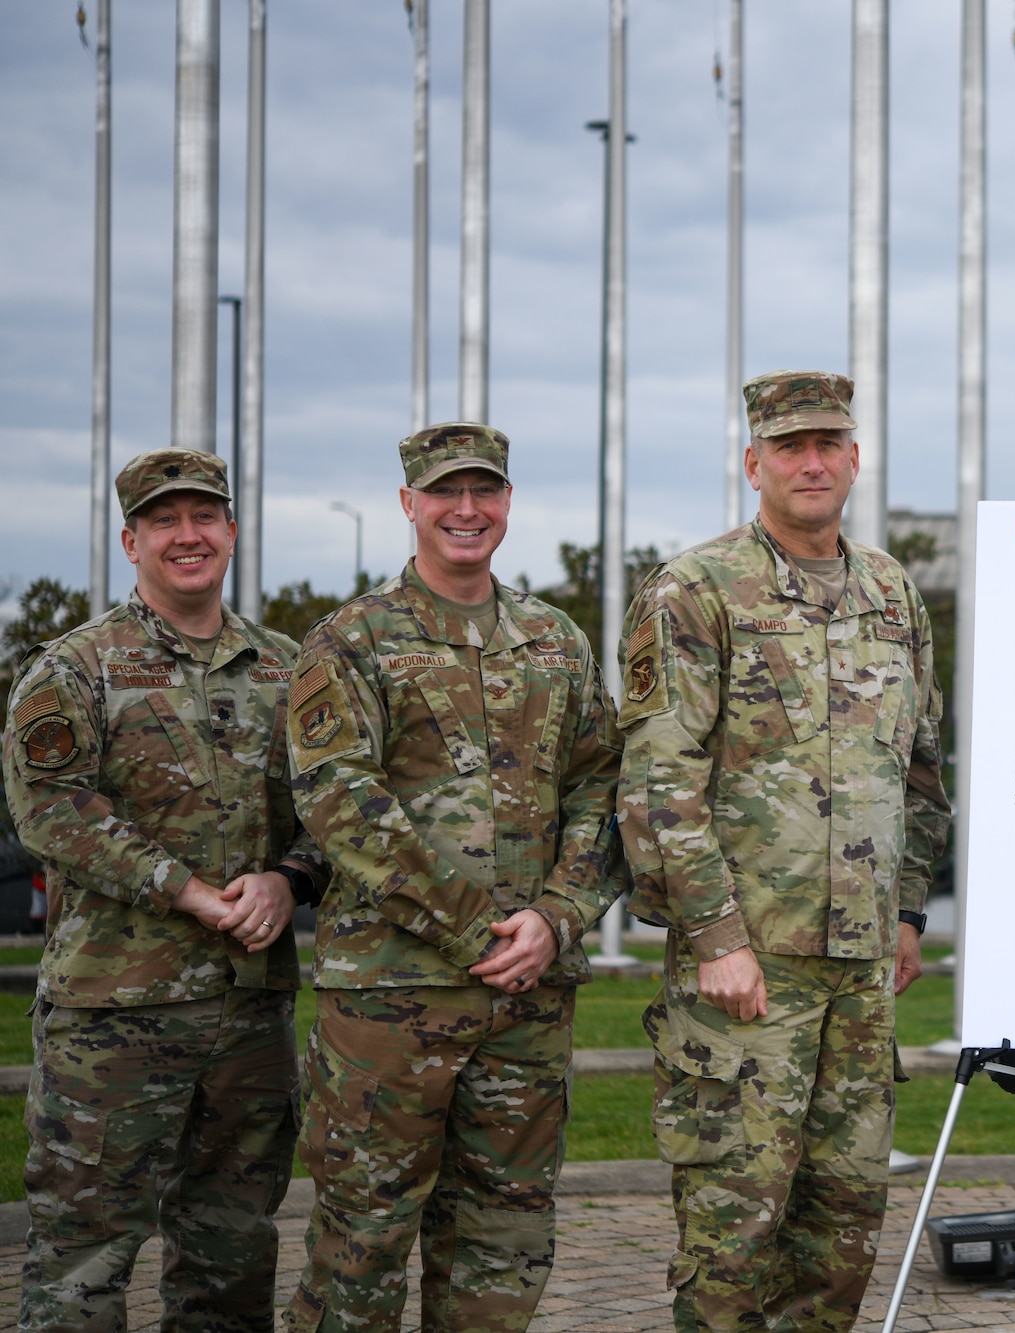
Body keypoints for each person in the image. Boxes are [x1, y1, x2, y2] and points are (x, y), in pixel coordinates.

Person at [616, 370, 950, 1332]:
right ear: (752, 461)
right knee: (733, 1234)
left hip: (860, 974)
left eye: (828, 444)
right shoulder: (695, 590)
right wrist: (714, 934)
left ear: (855, 458)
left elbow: (920, 773)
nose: (812, 463)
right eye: (790, 447)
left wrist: (909, 913)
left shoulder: (892, 591)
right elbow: (657, 778)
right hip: (748, 971)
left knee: (842, 1229)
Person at [282, 423, 625, 1333]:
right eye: (444, 493)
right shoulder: (350, 642)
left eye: (485, 491)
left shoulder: (555, 641)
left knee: (504, 1243)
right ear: (409, 504)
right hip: (392, 1004)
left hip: (526, 1002)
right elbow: (341, 804)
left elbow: (603, 788)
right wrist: (483, 931)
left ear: (508, 502)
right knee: (361, 1244)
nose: (465, 510)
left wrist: (558, 915)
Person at [3, 448, 329, 1332]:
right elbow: (51, 810)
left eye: (204, 516)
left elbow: (336, 808)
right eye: (163, 521)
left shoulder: (290, 668)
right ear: (130, 539)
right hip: (113, 1019)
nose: (187, 535)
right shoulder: (76, 668)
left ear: (230, 530)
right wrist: (183, 888)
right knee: (82, 1258)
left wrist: (286, 876)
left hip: (247, 1017)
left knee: (232, 1253)